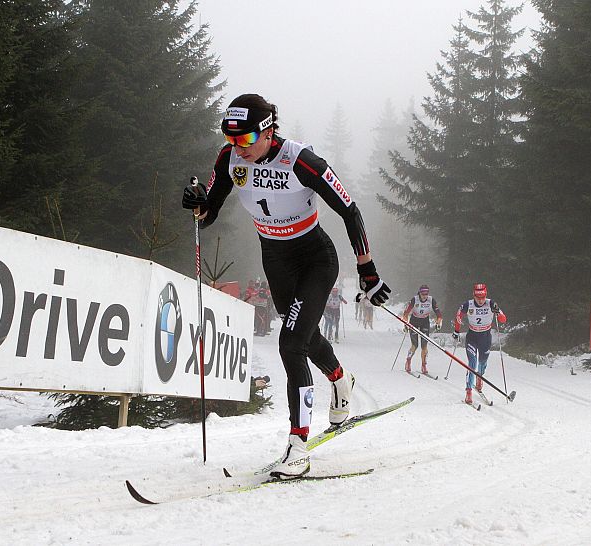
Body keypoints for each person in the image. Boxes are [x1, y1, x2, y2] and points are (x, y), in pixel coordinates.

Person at [181, 93, 390, 478]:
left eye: (244, 139)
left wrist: (368, 269)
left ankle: (298, 444)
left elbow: (349, 209)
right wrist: (198, 205)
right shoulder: (229, 158)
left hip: (314, 258)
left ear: (267, 131)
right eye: (230, 139)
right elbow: (209, 211)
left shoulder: (301, 160)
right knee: (304, 337)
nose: (236, 148)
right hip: (275, 259)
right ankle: (341, 379)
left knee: (290, 343)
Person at [452, 283, 507, 405]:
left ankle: (479, 378)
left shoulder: (491, 303)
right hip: (472, 337)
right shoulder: (468, 304)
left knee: (482, 362)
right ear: (474, 295)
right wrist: (456, 331)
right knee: (472, 363)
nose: (481, 300)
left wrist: (498, 313)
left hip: (485, 337)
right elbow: (458, 317)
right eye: (478, 297)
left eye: (483, 297)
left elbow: (503, 320)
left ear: (486, 295)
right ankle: (468, 392)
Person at [401, 285, 443, 374]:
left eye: (426, 294)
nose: (425, 296)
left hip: (425, 322)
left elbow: (438, 314)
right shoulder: (414, 299)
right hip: (414, 321)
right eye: (423, 294)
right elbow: (406, 313)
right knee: (415, 345)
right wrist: (406, 324)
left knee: (424, 345)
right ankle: (408, 361)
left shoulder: (431, 300)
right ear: (419, 293)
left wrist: (438, 322)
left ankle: (424, 365)